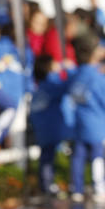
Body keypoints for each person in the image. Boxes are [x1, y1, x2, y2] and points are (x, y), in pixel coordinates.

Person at [67, 34, 105, 202]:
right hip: (96, 122)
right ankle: (100, 188)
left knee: (78, 155)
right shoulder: (98, 77)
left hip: (79, 120)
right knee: (97, 155)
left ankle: (77, 189)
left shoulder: (75, 75)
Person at [28, 53, 71, 198]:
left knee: (46, 156)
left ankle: (46, 185)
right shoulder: (52, 85)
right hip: (51, 127)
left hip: (43, 127)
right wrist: (69, 69)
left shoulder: (40, 87)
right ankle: (47, 186)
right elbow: (70, 85)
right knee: (48, 157)